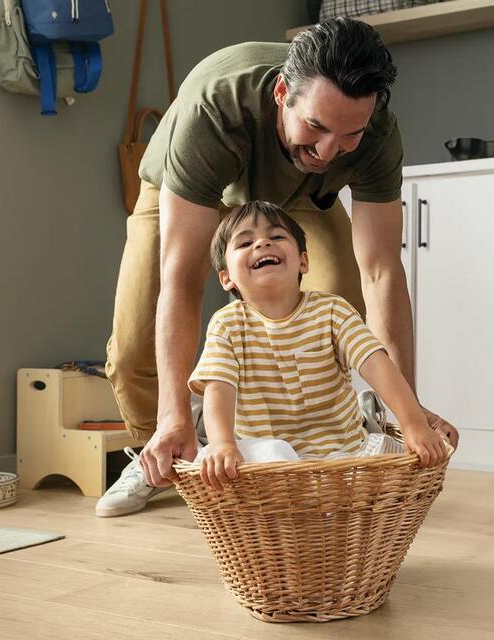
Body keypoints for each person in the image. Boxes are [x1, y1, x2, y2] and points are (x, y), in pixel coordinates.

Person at [97, 18, 459, 518]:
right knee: (135, 344)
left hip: (296, 197)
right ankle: (163, 445)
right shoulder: (214, 110)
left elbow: (382, 272)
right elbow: (182, 279)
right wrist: (172, 413)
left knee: (341, 308)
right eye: (316, 126)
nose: (329, 151)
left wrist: (410, 413)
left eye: (348, 134)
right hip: (187, 186)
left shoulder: (374, 136)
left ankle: (341, 440)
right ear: (283, 93)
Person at [190, 201, 447, 491]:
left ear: (303, 261)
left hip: (342, 452)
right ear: (226, 277)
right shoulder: (227, 324)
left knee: (388, 454)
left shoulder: (332, 311)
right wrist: (222, 444)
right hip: (270, 459)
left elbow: (375, 361)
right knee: (261, 454)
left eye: (276, 237)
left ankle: (354, 448)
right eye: (246, 242)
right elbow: (218, 387)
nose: (262, 243)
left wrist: (412, 423)